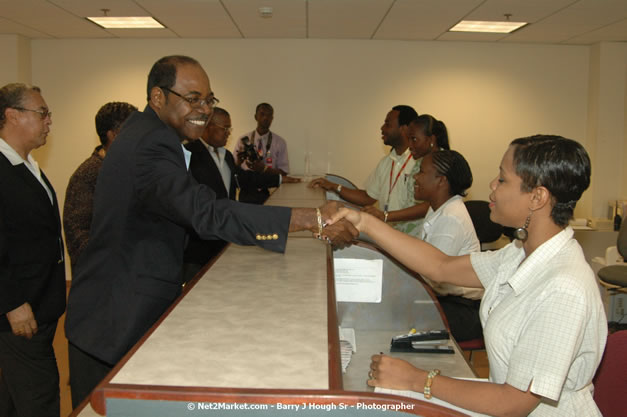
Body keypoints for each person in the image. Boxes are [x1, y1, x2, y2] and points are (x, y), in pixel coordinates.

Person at [64, 55, 357, 408]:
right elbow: (204, 211)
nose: (203, 109)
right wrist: (310, 218)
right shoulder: (151, 144)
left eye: (208, 99)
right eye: (192, 98)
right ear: (158, 97)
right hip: (114, 315)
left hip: (116, 304)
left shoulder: (152, 135)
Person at [328, 135, 607, 416]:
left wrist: (417, 379)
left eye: (502, 179)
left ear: (537, 197)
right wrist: (364, 222)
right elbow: (440, 265)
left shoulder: (564, 287)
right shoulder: (520, 253)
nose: (492, 186)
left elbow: (514, 402)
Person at [0, 83, 65, 417]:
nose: (49, 121)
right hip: (18, 312)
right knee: (39, 400)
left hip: (38, 304)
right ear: (12, 115)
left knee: (14, 399)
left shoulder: (27, 165)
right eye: (43, 113)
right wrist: (11, 303)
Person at [183, 107, 299, 281]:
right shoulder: (189, 154)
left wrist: (279, 180)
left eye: (230, 129)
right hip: (199, 246)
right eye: (225, 129)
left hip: (223, 239)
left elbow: (245, 179)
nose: (228, 133)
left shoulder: (226, 155)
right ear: (208, 126)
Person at [412, 149, 482, 342]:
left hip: (459, 309)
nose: (415, 177)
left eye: (421, 172)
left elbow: (429, 276)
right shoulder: (438, 209)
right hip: (440, 299)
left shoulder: (451, 218)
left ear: (441, 181)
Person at [309, 105, 418, 228]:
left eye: (387, 124)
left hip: (410, 236)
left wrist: (386, 216)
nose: (382, 128)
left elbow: (424, 207)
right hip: (387, 231)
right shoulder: (387, 162)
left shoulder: (419, 162)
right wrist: (333, 186)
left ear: (404, 129)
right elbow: (367, 197)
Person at [63, 101, 137, 269]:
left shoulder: (133, 168)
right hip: (102, 278)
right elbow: (78, 236)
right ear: (113, 135)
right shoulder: (87, 175)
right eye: (133, 130)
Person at [364, 114, 451, 237]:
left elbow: (429, 205)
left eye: (414, 139)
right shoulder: (420, 162)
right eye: (409, 139)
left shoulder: (441, 164)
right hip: (406, 230)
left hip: (424, 234)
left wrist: (386, 215)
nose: (410, 145)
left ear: (431, 140)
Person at [233, 102, 290, 203]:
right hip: (247, 190)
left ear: (272, 118)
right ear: (256, 116)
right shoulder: (243, 140)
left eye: (269, 115)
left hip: (271, 191)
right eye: (262, 114)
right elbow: (234, 169)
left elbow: (284, 173)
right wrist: (239, 162)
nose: (265, 118)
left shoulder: (280, 142)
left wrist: (264, 169)